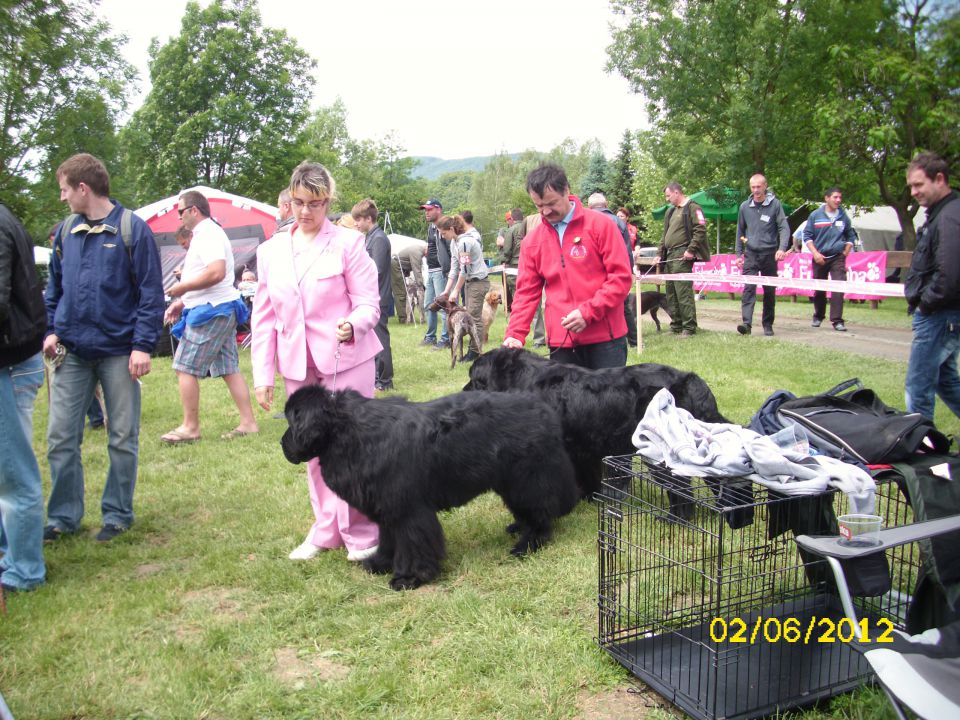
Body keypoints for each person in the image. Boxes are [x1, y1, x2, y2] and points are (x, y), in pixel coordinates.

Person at [251, 161, 381, 562]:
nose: (305, 211)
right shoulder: (269, 251)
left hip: (347, 359)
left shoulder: (349, 243)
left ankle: (361, 530)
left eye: (316, 203)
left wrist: (353, 323)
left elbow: (369, 304)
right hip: (297, 365)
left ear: (328, 202)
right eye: (298, 202)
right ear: (289, 200)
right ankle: (326, 529)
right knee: (312, 446)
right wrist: (263, 374)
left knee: (353, 445)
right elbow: (264, 316)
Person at [43, 153, 164, 543]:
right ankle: (63, 517)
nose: (62, 198)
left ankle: (117, 515)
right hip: (73, 351)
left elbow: (150, 294)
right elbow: (54, 290)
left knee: (122, 437)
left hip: (118, 352)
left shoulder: (132, 230)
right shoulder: (65, 233)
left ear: (83, 188)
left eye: (65, 190)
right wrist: (50, 330)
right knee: (61, 437)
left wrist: (142, 345)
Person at [503, 164, 632, 369]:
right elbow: (526, 293)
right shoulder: (532, 241)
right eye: (538, 206)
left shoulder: (601, 226)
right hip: (561, 344)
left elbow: (621, 278)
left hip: (606, 340)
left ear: (567, 191)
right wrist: (515, 334)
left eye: (551, 203)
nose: (545, 211)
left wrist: (588, 312)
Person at [161, 191, 259, 443]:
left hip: (212, 312)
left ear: (194, 210)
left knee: (184, 367)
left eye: (180, 211)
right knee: (229, 368)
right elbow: (215, 278)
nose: (178, 216)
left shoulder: (208, 234)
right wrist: (183, 302)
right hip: (218, 307)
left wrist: (182, 289)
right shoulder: (207, 234)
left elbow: (216, 273)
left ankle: (190, 427)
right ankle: (248, 423)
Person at [0, 204, 47, 594]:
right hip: (16, 358)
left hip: (10, 363)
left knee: (14, 474)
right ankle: (11, 556)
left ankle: (23, 569)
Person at [903, 152, 960, 421]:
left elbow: (950, 272)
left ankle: (921, 447)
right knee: (945, 381)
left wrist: (926, 302)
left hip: (939, 315)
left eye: (918, 185)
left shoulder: (949, 216)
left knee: (918, 386)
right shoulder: (941, 214)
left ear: (939, 179)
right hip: (940, 314)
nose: (913, 192)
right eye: (911, 186)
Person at [734, 173, 790, 336]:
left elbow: (784, 228)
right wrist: (739, 254)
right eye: (753, 187)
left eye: (759, 186)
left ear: (765, 186)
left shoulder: (775, 205)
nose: (756, 190)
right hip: (750, 255)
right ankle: (747, 324)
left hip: (770, 255)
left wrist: (781, 248)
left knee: (769, 291)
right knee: (748, 290)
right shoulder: (745, 206)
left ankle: (768, 324)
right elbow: (740, 231)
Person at [655, 183, 709, 336]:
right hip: (670, 255)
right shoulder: (671, 212)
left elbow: (700, 230)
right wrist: (660, 253)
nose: (667, 199)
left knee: (683, 292)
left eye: (668, 196)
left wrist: (691, 250)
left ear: (677, 192)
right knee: (671, 292)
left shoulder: (693, 208)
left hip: (682, 253)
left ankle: (689, 327)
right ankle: (676, 325)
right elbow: (664, 236)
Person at [352, 198, 394, 391]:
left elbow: (375, 270)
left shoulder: (378, 239)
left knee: (381, 339)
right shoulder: (371, 237)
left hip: (380, 297)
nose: (356, 224)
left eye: (359, 220)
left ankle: (385, 380)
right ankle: (378, 377)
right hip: (373, 296)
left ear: (369, 219)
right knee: (375, 340)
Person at [803, 187, 857, 332]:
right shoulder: (815, 215)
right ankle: (818, 315)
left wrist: (846, 250)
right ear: (827, 198)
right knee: (819, 289)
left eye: (840, 197)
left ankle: (837, 321)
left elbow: (851, 235)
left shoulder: (843, 216)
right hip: (819, 257)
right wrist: (815, 254)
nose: (838, 200)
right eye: (835, 197)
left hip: (837, 257)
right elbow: (807, 236)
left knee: (838, 287)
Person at [437, 214, 490, 362]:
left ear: (452, 229)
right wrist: (447, 290)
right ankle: (473, 351)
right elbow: (454, 268)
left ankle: (475, 353)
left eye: (444, 233)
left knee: (474, 317)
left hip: (478, 282)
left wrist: (455, 290)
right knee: (471, 315)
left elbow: (464, 269)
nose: (442, 236)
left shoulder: (465, 242)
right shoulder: (454, 242)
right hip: (469, 282)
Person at [588, 192, 639, 346]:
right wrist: (628, 274)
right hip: (616, 274)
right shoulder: (620, 222)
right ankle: (634, 340)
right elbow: (626, 252)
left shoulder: (587, 221)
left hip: (593, 276)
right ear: (606, 204)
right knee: (624, 307)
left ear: (589, 206)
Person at [419, 198, 451, 350]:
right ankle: (431, 336)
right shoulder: (432, 228)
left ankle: (446, 339)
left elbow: (452, 249)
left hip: (441, 271)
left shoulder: (444, 226)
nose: (427, 212)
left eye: (429, 209)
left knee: (443, 306)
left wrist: (450, 271)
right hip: (430, 270)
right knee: (428, 305)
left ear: (438, 209)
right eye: (425, 210)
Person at [497, 208, 525, 312]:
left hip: (514, 266)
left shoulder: (511, 230)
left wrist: (504, 261)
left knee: (516, 294)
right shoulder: (529, 227)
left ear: (512, 218)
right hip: (528, 265)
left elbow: (507, 250)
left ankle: (519, 315)